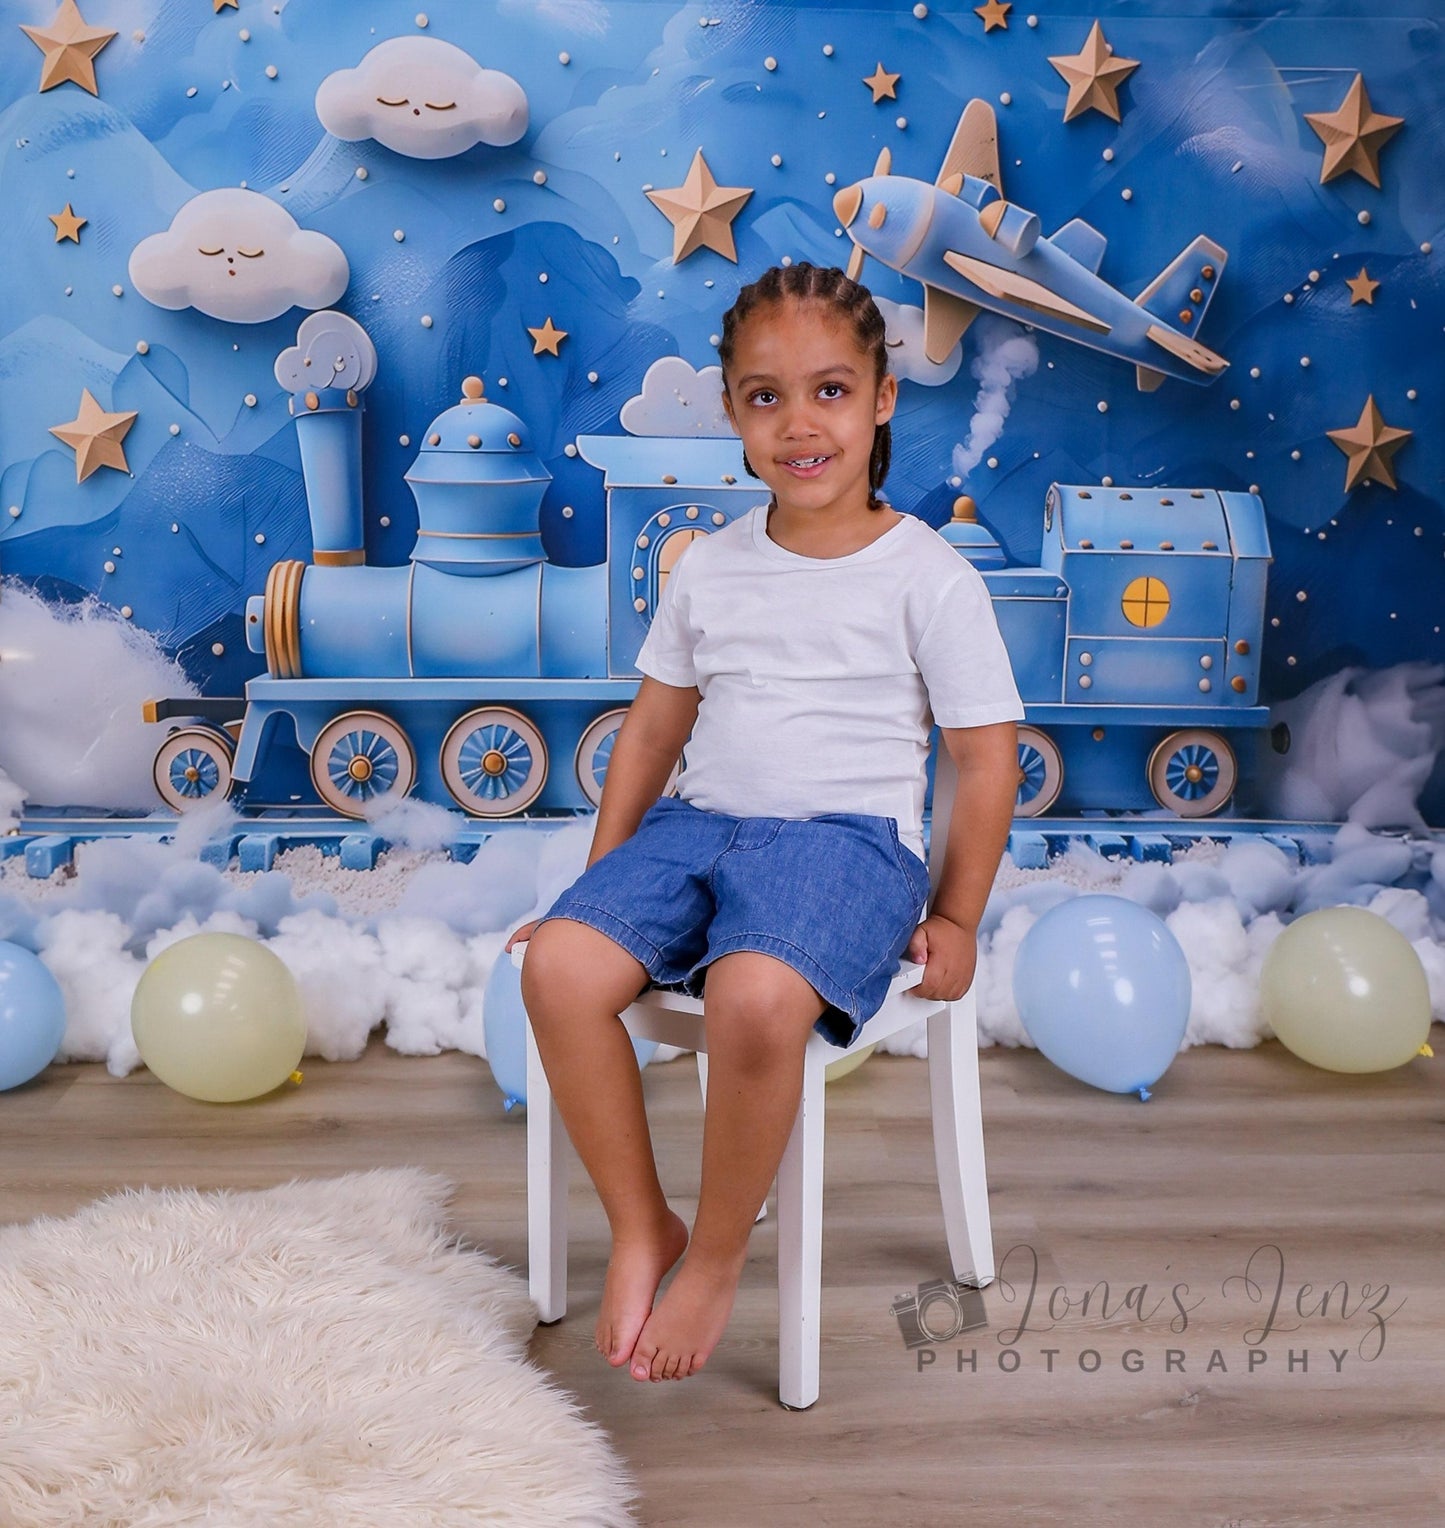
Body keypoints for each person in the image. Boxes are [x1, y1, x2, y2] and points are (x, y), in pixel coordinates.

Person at [505, 262, 1023, 1387]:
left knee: (753, 995)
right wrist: (597, 892)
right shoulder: (712, 566)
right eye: (764, 396)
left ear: (882, 399)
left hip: (847, 846)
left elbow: (985, 761)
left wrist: (956, 916)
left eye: (830, 391)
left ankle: (716, 1255)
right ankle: (644, 1224)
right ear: (732, 411)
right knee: (558, 967)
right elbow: (652, 733)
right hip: (698, 829)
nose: (799, 424)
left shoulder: (928, 576)